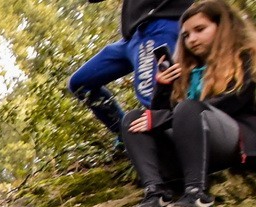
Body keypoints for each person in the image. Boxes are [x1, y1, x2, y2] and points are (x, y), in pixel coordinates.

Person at [121, 0, 256, 207]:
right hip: (187, 149)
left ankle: (196, 194)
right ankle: (156, 191)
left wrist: (165, 117)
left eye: (199, 30)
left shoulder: (247, 57)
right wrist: (163, 88)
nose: (191, 39)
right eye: (185, 35)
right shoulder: (187, 71)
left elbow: (233, 101)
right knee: (133, 119)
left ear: (222, 27)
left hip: (231, 142)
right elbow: (158, 115)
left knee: (188, 109)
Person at [70, 1, 194, 138]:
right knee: (80, 83)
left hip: (157, 26)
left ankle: (184, 147)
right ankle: (126, 136)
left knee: (153, 99)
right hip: (132, 36)